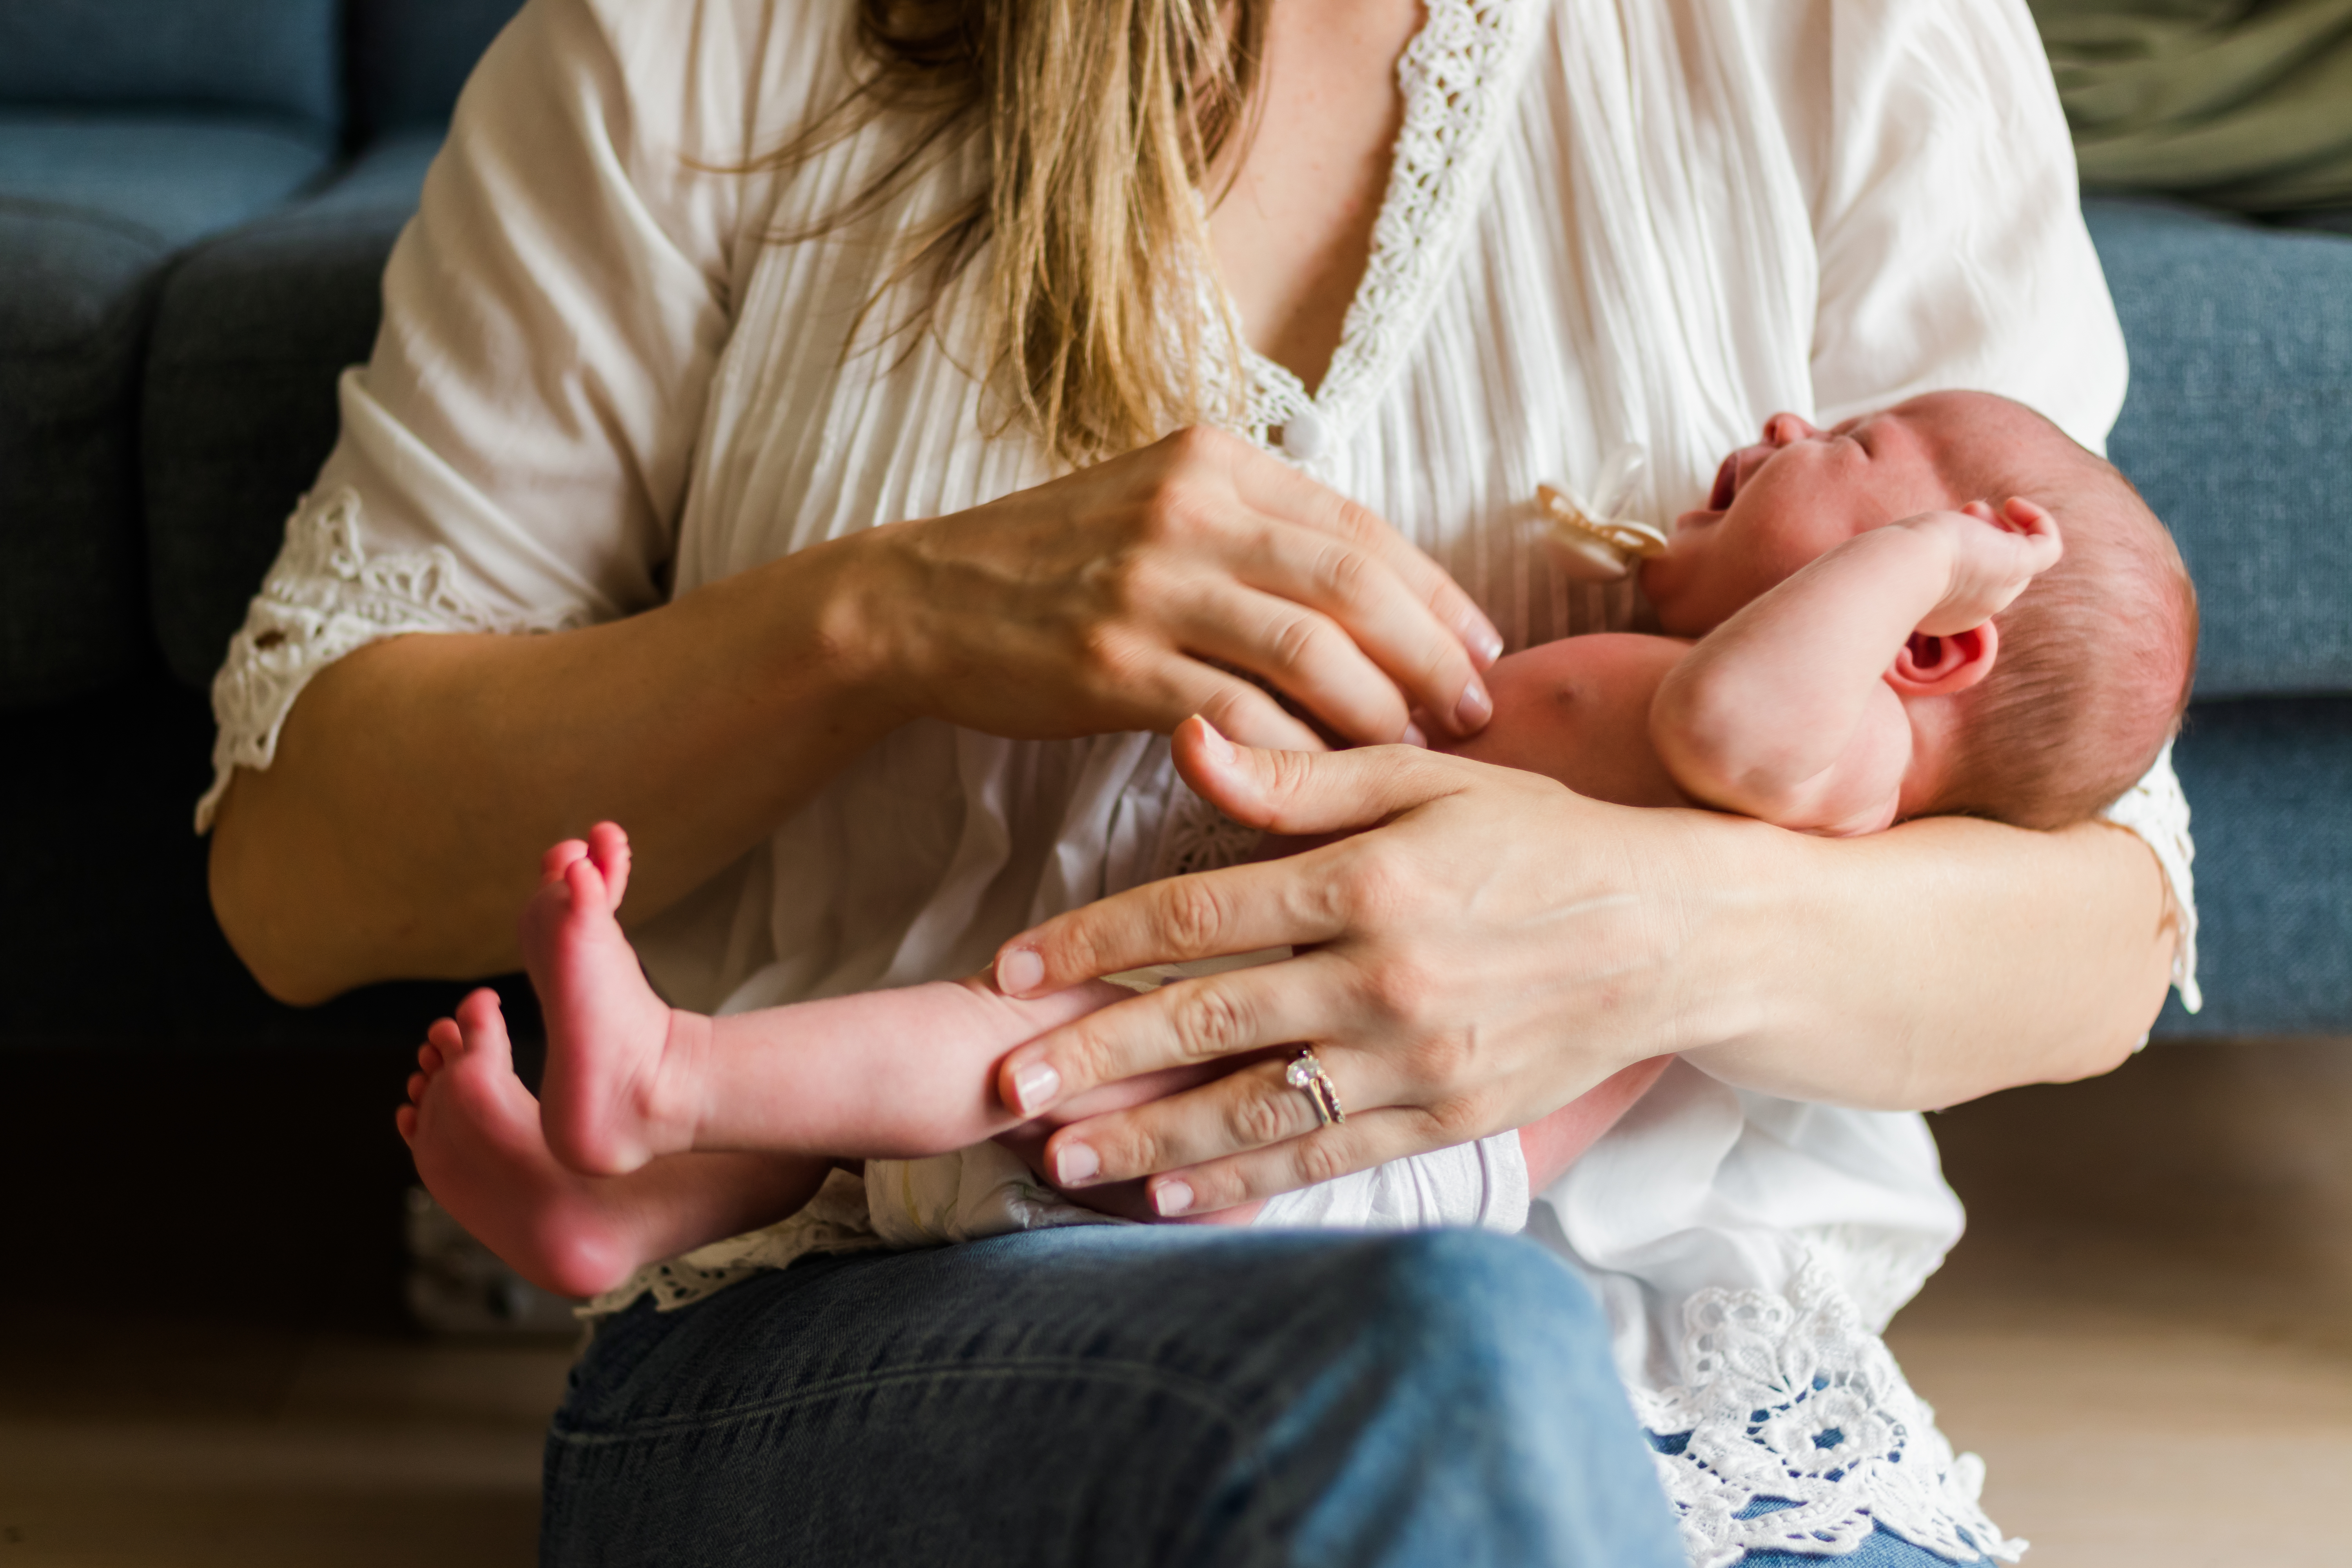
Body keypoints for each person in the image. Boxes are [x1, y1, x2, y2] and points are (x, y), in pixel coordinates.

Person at [201, 0, 2197, 1561]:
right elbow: (297, 875)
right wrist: (877, 619)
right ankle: (667, 1134)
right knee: (1438, 1347)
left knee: (1453, 1360)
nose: (1785, 440)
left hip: (1713, 1422)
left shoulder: (1853, 35)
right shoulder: (707, 42)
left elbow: (2098, 923)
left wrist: (1639, 934)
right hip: (900, 1324)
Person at [396, 388, 2196, 1314]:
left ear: (1936, 646)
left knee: (1003, 1050)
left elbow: (1740, 725)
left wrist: (1926, 555)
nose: (1794, 421)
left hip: (1382, 1120)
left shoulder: (1837, 753)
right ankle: (625, 1204)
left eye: (1859, 443)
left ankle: (672, 1077)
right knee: (930, 1099)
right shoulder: (1733, 685)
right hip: (1315, 1018)